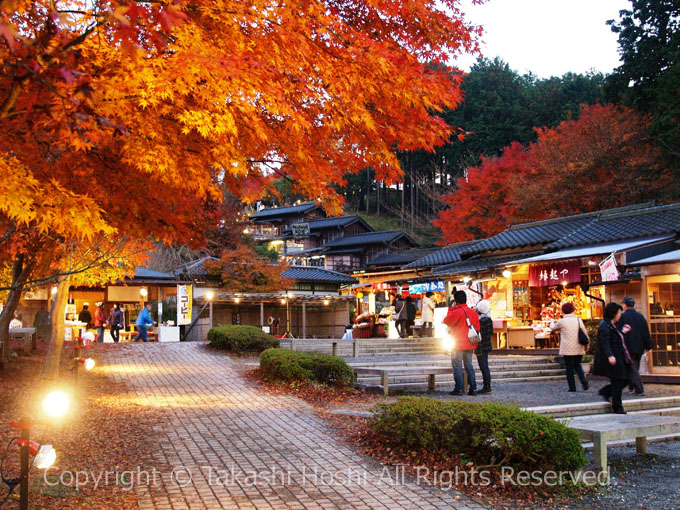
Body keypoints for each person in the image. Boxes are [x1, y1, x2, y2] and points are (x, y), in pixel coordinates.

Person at [592, 303, 632, 414]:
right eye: (618, 313)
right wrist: (610, 355)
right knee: (618, 380)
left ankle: (606, 392)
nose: (620, 315)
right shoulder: (605, 325)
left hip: (619, 356)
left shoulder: (613, 325)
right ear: (613, 313)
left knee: (624, 379)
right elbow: (604, 342)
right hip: (612, 357)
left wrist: (623, 331)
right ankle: (617, 406)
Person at [443, 290, 479, 396]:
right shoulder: (473, 312)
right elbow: (477, 327)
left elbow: (447, 321)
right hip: (469, 343)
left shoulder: (456, 312)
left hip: (457, 343)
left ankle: (458, 389)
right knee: (469, 366)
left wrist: (451, 308)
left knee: (457, 367)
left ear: (456, 300)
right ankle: (473, 388)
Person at [550, 302, 589, 392]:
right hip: (578, 346)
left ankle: (572, 387)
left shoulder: (562, 321)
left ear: (563, 311)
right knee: (577, 365)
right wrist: (587, 345)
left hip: (567, 348)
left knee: (569, 367)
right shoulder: (578, 320)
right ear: (573, 310)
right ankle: (583, 380)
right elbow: (585, 333)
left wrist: (552, 322)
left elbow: (553, 328)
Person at [618, 296, 652, 395]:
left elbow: (619, 332)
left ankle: (639, 389)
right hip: (639, 345)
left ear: (625, 305)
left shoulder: (622, 317)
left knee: (632, 368)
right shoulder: (640, 317)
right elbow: (646, 332)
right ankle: (632, 386)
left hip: (628, 346)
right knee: (634, 366)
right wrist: (648, 346)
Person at [474, 299, 493, 394]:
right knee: (485, 366)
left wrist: (478, 350)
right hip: (487, 345)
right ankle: (487, 385)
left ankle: (487, 386)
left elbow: (479, 337)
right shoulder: (489, 319)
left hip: (481, 347)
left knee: (483, 366)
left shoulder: (481, 321)